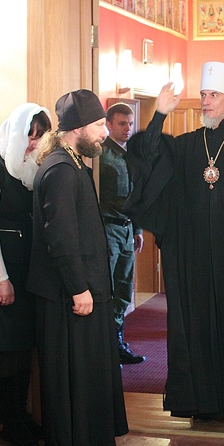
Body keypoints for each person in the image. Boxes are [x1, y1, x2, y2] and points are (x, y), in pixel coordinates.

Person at [124, 62, 224, 423]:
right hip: (192, 253)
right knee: (195, 326)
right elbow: (145, 159)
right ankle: (200, 401)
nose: (206, 101)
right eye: (203, 94)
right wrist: (159, 115)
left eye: (213, 95)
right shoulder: (186, 144)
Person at [27, 89, 128, 444]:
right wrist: (79, 288)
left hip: (82, 291)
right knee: (72, 380)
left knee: (87, 377)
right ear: (77, 128)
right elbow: (62, 238)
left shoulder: (73, 164)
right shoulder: (61, 170)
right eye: (99, 125)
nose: (104, 132)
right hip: (69, 297)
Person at [0, 103, 51, 445]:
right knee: (5, 348)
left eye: (39, 137)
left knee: (23, 347)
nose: (33, 144)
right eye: (29, 136)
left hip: (26, 269)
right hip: (1, 271)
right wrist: (1, 279)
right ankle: (10, 421)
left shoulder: (28, 166)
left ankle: (21, 416)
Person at [99, 102, 145, 364]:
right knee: (108, 287)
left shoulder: (131, 155)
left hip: (127, 230)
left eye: (130, 123)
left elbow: (136, 195)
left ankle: (117, 342)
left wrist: (138, 228)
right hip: (108, 229)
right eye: (121, 123)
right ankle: (105, 347)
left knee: (124, 290)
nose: (128, 128)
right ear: (108, 125)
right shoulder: (100, 156)